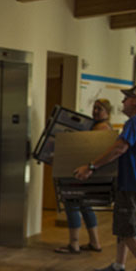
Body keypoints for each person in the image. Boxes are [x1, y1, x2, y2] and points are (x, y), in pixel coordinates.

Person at [74, 85, 136, 271]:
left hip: (132, 183)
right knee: (123, 227)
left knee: (127, 228)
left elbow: (119, 148)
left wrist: (91, 166)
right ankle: (119, 266)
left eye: (127, 98)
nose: (123, 102)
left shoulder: (135, 122)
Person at [54, 98, 112, 254]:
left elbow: (84, 148)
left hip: (84, 173)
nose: (95, 111)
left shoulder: (101, 128)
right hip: (90, 174)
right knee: (86, 206)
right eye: (94, 108)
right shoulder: (100, 126)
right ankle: (95, 242)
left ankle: (74, 243)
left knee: (72, 203)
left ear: (107, 112)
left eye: (99, 109)